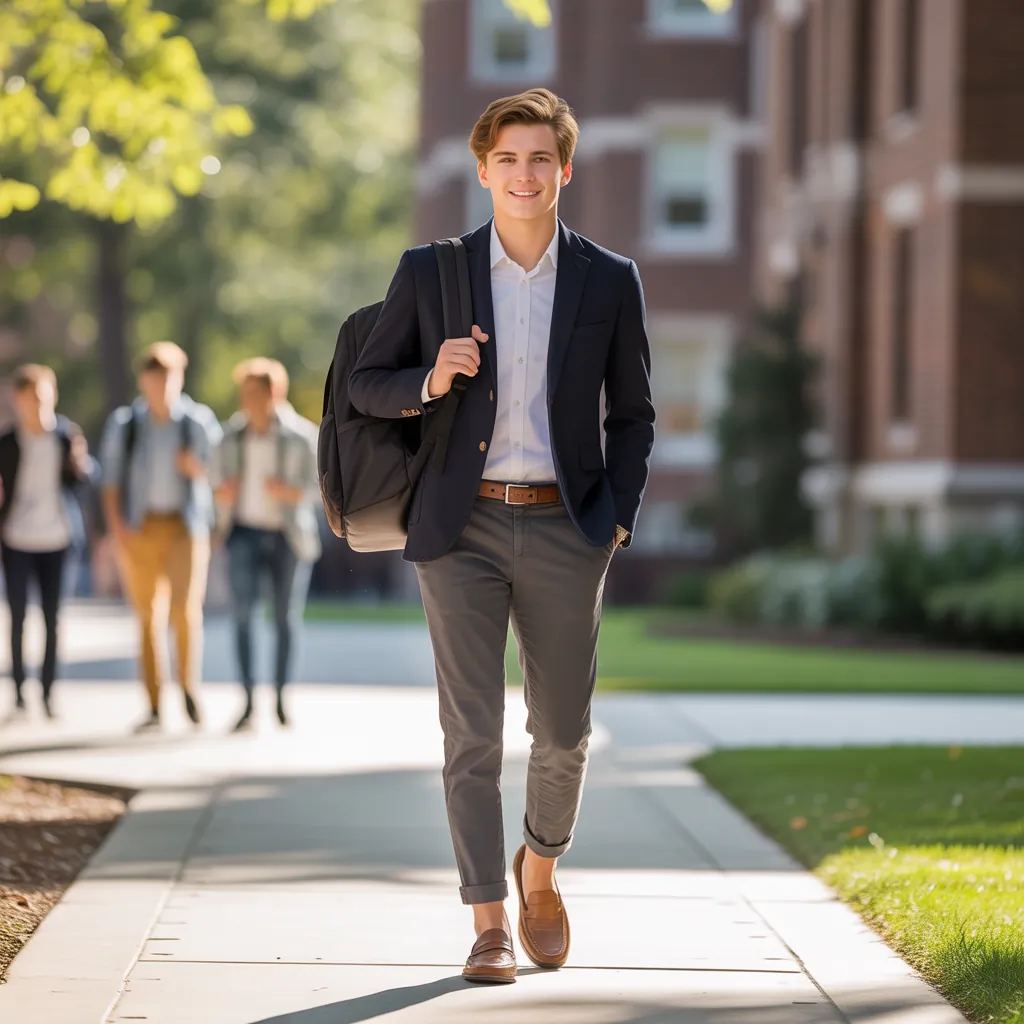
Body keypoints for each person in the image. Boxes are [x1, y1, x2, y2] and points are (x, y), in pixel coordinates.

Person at [349, 88, 655, 983]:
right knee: (471, 733)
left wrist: (618, 516)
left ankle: (540, 869)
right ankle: (487, 920)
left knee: (562, 732)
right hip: (462, 526)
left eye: (540, 159)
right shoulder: (431, 272)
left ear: (565, 169)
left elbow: (632, 415)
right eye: (507, 160)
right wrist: (430, 379)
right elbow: (366, 385)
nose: (524, 175)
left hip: (568, 526)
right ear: (483, 170)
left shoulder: (608, 279)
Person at [100, 342, 222, 733]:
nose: (161, 385)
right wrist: (117, 528)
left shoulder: (197, 421)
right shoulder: (127, 424)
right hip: (140, 528)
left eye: (168, 377)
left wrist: (196, 468)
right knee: (147, 618)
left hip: (185, 528)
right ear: (144, 381)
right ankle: (154, 704)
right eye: (155, 378)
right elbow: (110, 480)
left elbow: (220, 475)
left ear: (179, 379)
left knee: (186, 613)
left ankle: (188, 688)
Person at [213, 358, 321, 732]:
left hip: (286, 536)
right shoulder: (231, 437)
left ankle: (279, 700)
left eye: (254, 393)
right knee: (242, 616)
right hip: (243, 532)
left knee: (284, 618)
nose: (247, 401)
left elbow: (321, 490)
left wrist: (289, 492)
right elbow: (214, 481)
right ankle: (246, 701)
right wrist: (221, 492)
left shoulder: (302, 436)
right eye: (244, 393)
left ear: (274, 394)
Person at [0, 365, 96, 719]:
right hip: (17, 538)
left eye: (41, 397)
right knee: (18, 617)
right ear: (18, 400)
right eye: (29, 399)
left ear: (51, 396)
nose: (36, 405)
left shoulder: (67, 437)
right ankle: (20, 692)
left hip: (57, 538)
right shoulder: (8, 443)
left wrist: (81, 465)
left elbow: (84, 481)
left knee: (53, 619)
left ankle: (48, 691)